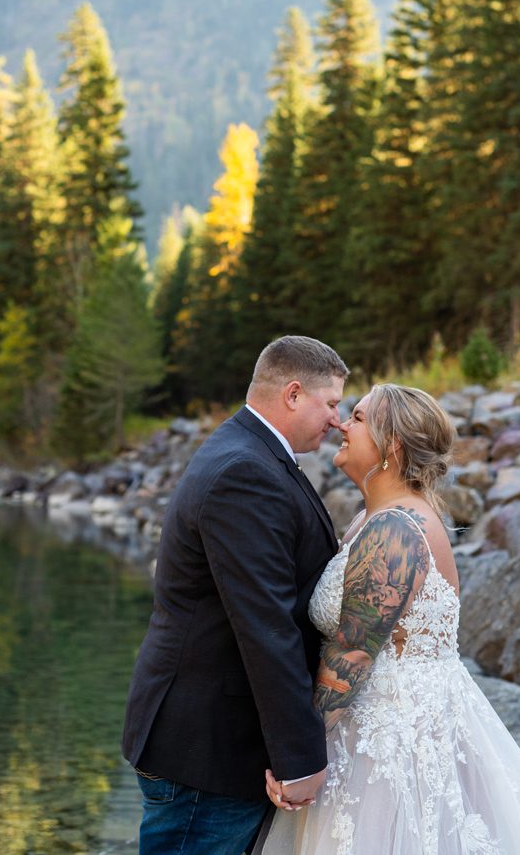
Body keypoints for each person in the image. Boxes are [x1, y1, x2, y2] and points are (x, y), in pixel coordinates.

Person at [257, 384, 520, 854]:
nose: (341, 424)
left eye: (360, 417)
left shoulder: (395, 530)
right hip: (377, 731)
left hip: (393, 743)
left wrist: (298, 759)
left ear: (392, 445)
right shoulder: (371, 520)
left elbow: (352, 655)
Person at [122, 336, 350, 855]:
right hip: (207, 749)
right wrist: (299, 759)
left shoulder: (251, 452)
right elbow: (264, 624)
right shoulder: (245, 471)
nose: (338, 419)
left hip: (213, 741)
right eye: (332, 402)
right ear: (293, 394)